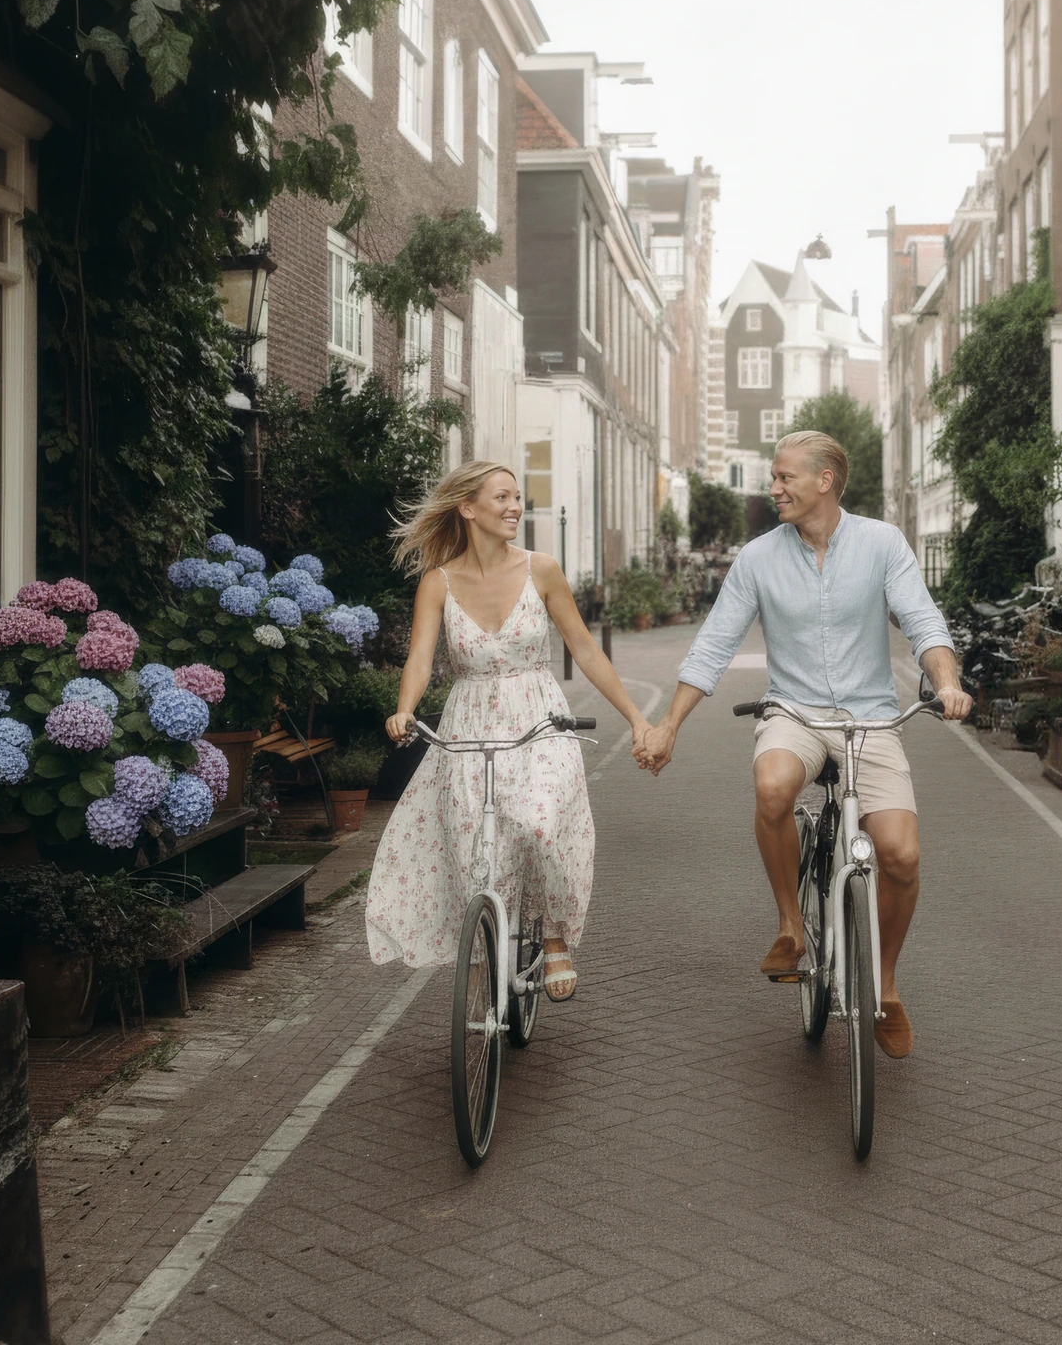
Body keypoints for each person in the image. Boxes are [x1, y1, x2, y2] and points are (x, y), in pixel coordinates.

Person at [634, 430, 971, 1057]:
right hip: (792, 710)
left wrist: (946, 683)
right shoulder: (758, 557)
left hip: (870, 715)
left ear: (826, 480)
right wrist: (669, 725)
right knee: (773, 787)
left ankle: (887, 986)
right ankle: (791, 924)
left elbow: (922, 620)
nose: (774, 487)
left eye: (786, 477)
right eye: (774, 476)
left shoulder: (882, 544)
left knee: (900, 855)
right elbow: (713, 644)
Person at [366, 460, 649, 999]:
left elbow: (585, 649)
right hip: (469, 723)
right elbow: (421, 659)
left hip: (538, 717)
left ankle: (555, 935)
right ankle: (481, 951)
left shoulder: (541, 568)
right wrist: (404, 708)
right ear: (467, 509)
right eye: (502, 497)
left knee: (540, 823)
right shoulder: (438, 582)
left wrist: (636, 719)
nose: (515, 506)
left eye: (518, 497)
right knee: (475, 845)